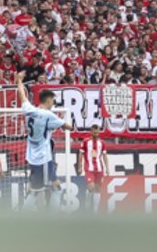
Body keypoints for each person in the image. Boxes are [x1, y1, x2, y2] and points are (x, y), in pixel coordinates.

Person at [16, 71, 67, 209]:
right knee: (36, 191)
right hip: (42, 158)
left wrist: (19, 81)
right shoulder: (48, 115)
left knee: (56, 186)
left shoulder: (29, 109)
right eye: (53, 101)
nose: (53, 104)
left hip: (34, 156)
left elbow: (22, 96)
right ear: (48, 100)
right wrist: (67, 121)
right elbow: (68, 126)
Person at [78, 122, 110, 211]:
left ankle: (95, 211)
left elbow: (104, 156)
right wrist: (80, 166)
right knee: (91, 187)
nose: (96, 134)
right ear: (91, 132)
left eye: (98, 132)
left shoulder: (102, 143)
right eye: (95, 132)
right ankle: (87, 203)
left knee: (98, 189)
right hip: (89, 168)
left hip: (99, 169)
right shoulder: (85, 141)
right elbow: (80, 154)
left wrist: (107, 169)